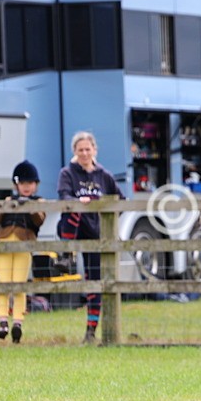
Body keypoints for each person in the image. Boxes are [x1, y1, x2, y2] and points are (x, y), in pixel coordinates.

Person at [58, 131, 125, 344]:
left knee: (95, 282)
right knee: (73, 209)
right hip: (73, 227)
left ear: (94, 150)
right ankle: (66, 255)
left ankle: (91, 330)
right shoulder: (67, 173)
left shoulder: (104, 175)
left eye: (88, 149)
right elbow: (64, 196)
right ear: (74, 152)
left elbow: (120, 200)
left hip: (96, 233)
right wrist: (80, 202)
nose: (85, 153)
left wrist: (105, 213)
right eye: (80, 150)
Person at [0, 161, 46, 343]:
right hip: (4, 242)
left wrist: (28, 207)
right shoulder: (9, 200)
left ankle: (18, 322)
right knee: (4, 283)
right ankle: (2, 320)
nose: (27, 187)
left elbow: (39, 221)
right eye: (23, 183)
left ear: (36, 185)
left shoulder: (39, 202)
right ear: (17, 185)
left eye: (30, 183)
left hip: (24, 244)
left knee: (20, 284)